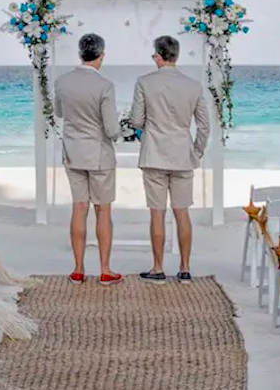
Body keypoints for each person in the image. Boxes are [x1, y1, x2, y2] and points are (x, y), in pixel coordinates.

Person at [130, 35, 210, 284]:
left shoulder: (144, 82)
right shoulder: (193, 85)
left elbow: (136, 121)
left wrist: (148, 130)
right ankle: (185, 268)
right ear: (176, 55)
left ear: (158, 55)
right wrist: (196, 152)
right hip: (182, 157)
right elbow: (205, 126)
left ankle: (157, 268)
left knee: (157, 214)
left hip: (154, 155)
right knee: (182, 212)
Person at [54, 33, 123, 286]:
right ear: (101, 55)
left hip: (73, 153)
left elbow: (60, 113)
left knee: (79, 208)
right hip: (99, 156)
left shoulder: (62, 81)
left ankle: (78, 270)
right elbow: (112, 129)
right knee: (103, 210)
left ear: (80, 54)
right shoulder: (105, 86)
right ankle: (105, 270)